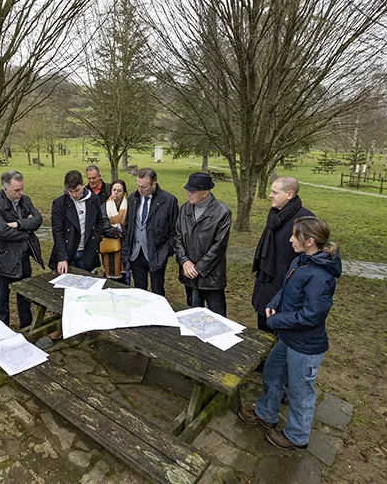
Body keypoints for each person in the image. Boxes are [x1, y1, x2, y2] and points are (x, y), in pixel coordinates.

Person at [239, 217, 341, 450]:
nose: (290, 239)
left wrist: (276, 319)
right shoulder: (301, 261)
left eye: (295, 236)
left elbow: (312, 315)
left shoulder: (321, 277)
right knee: (273, 374)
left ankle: (297, 436)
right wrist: (275, 302)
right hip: (287, 338)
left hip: (305, 346)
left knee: (300, 393)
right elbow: (286, 290)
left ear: (310, 241)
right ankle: (266, 413)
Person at [251, 176, 314, 333]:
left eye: (274, 192)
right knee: (263, 323)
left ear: (289, 194)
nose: (270, 195)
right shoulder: (275, 214)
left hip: (286, 283)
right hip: (266, 276)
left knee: (277, 330)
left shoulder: (305, 219)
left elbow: (311, 255)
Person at [0, 170, 44, 329]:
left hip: (22, 257)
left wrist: (18, 224)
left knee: (24, 295)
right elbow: (1, 231)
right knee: (2, 300)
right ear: (5, 188)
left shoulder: (26, 200)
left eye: (22, 188)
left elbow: (38, 220)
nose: (21, 193)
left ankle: (27, 327)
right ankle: (2, 331)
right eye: (17, 190)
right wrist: (26, 230)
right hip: (1, 260)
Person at [174, 172, 232, 316]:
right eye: (187, 190)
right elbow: (177, 236)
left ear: (205, 192)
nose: (188, 194)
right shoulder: (185, 209)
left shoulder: (222, 212)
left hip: (211, 278)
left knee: (217, 317)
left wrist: (198, 269)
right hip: (188, 274)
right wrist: (184, 261)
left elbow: (219, 246)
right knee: (192, 315)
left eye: (192, 191)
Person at [122, 168, 179, 296]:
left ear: (154, 184)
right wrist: (127, 250)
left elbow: (174, 231)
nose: (140, 190)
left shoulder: (169, 201)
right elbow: (128, 225)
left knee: (157, 292)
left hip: (157, 255)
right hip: (136, 255)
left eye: (144, 187)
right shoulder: (133, 198)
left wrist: (167, 251)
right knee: (139, 292)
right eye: (138, 186)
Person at [49, 170, 118, 274]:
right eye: (70, 191)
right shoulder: (59, 204)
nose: (74, 195)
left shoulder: (93, 199)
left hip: (87, 251)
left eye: (77, 190)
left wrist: (96, 239)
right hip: (68, 252)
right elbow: (57, 232)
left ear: (83, 185)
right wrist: (62, 258)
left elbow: (99, 221)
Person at [100, 179, 128, 282]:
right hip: (110, 245)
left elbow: (130, 224)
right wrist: (118, 230)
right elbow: (103, 224)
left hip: (125, 245)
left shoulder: (129, 206)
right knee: (110, 276)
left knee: (125, 276)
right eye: (114, 190)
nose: (116, 193)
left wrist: (120, 228)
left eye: (119, 191)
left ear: (124, 192)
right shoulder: (105, 206)